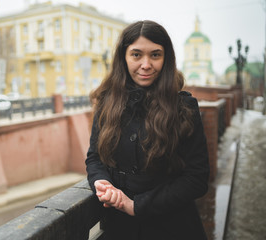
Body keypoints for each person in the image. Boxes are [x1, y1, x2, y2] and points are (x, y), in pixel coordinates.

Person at [85, 20, 210, 240]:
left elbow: (196, 179)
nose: (146, 64)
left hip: (174, 229)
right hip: (121, 230)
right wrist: (100, 181)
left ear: (166, 58)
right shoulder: (107, 103)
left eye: (155, 55)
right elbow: (94, 157)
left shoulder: (183, 108)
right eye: (136, 55)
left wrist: (137, 205)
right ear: (123, 58)